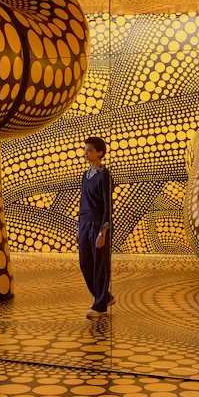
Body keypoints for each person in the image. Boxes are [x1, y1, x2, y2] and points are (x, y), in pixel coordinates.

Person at [78, 136, 115, 319]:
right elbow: (82, 202)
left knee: (100, 266)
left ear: (100, 153)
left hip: (99, 225)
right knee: (85, 263)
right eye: (85, 149)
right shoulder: (85, 176)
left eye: (90, 150)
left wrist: (103, 231)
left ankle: (100, 306)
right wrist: (79, 228)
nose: (86, 152)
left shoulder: (105, 176)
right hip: (85, 225)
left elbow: (108, 206)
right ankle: (105, 297)